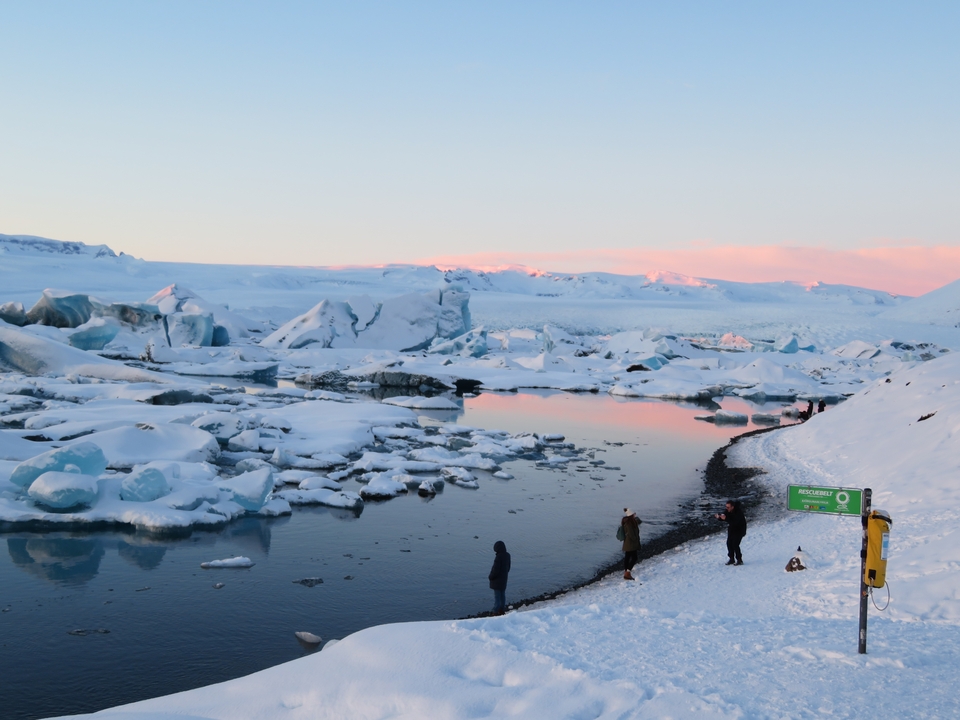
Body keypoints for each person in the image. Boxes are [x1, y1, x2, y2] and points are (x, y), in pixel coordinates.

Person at [715, 500, 747, 565]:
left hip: (739, 530)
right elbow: (724, 517)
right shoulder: (728, 511)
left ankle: (739, 560)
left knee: (735, 544)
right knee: (729, 544)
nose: (727, 508)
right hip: (732, 529)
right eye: (726, 507)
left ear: (732, 507)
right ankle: (731, 559)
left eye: (728, 507)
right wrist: (719, 517)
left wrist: (725, 518)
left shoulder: (738, 512)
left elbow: (734, 522)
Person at [488, 540, 511, 615]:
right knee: (502, 595)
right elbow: (508, 568)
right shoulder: (507, 555)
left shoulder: (498, 557)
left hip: (497, 580)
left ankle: (495, 611)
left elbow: (495, 569)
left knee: (497, 596)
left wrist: (490, 577)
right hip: (504, 579)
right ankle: (502, 609)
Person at [620, 508, 642, 580]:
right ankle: (627, 573)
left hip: (628, 543)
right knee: (634, 557)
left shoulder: (631, 521)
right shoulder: (629, 523)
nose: (635, 515)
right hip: (631, 543)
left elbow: (640, 522)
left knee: (628, 556)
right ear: (631, 515)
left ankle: (626, 572)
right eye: (634, 514)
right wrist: (635, 540)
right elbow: (631, 534)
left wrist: (635, 518)